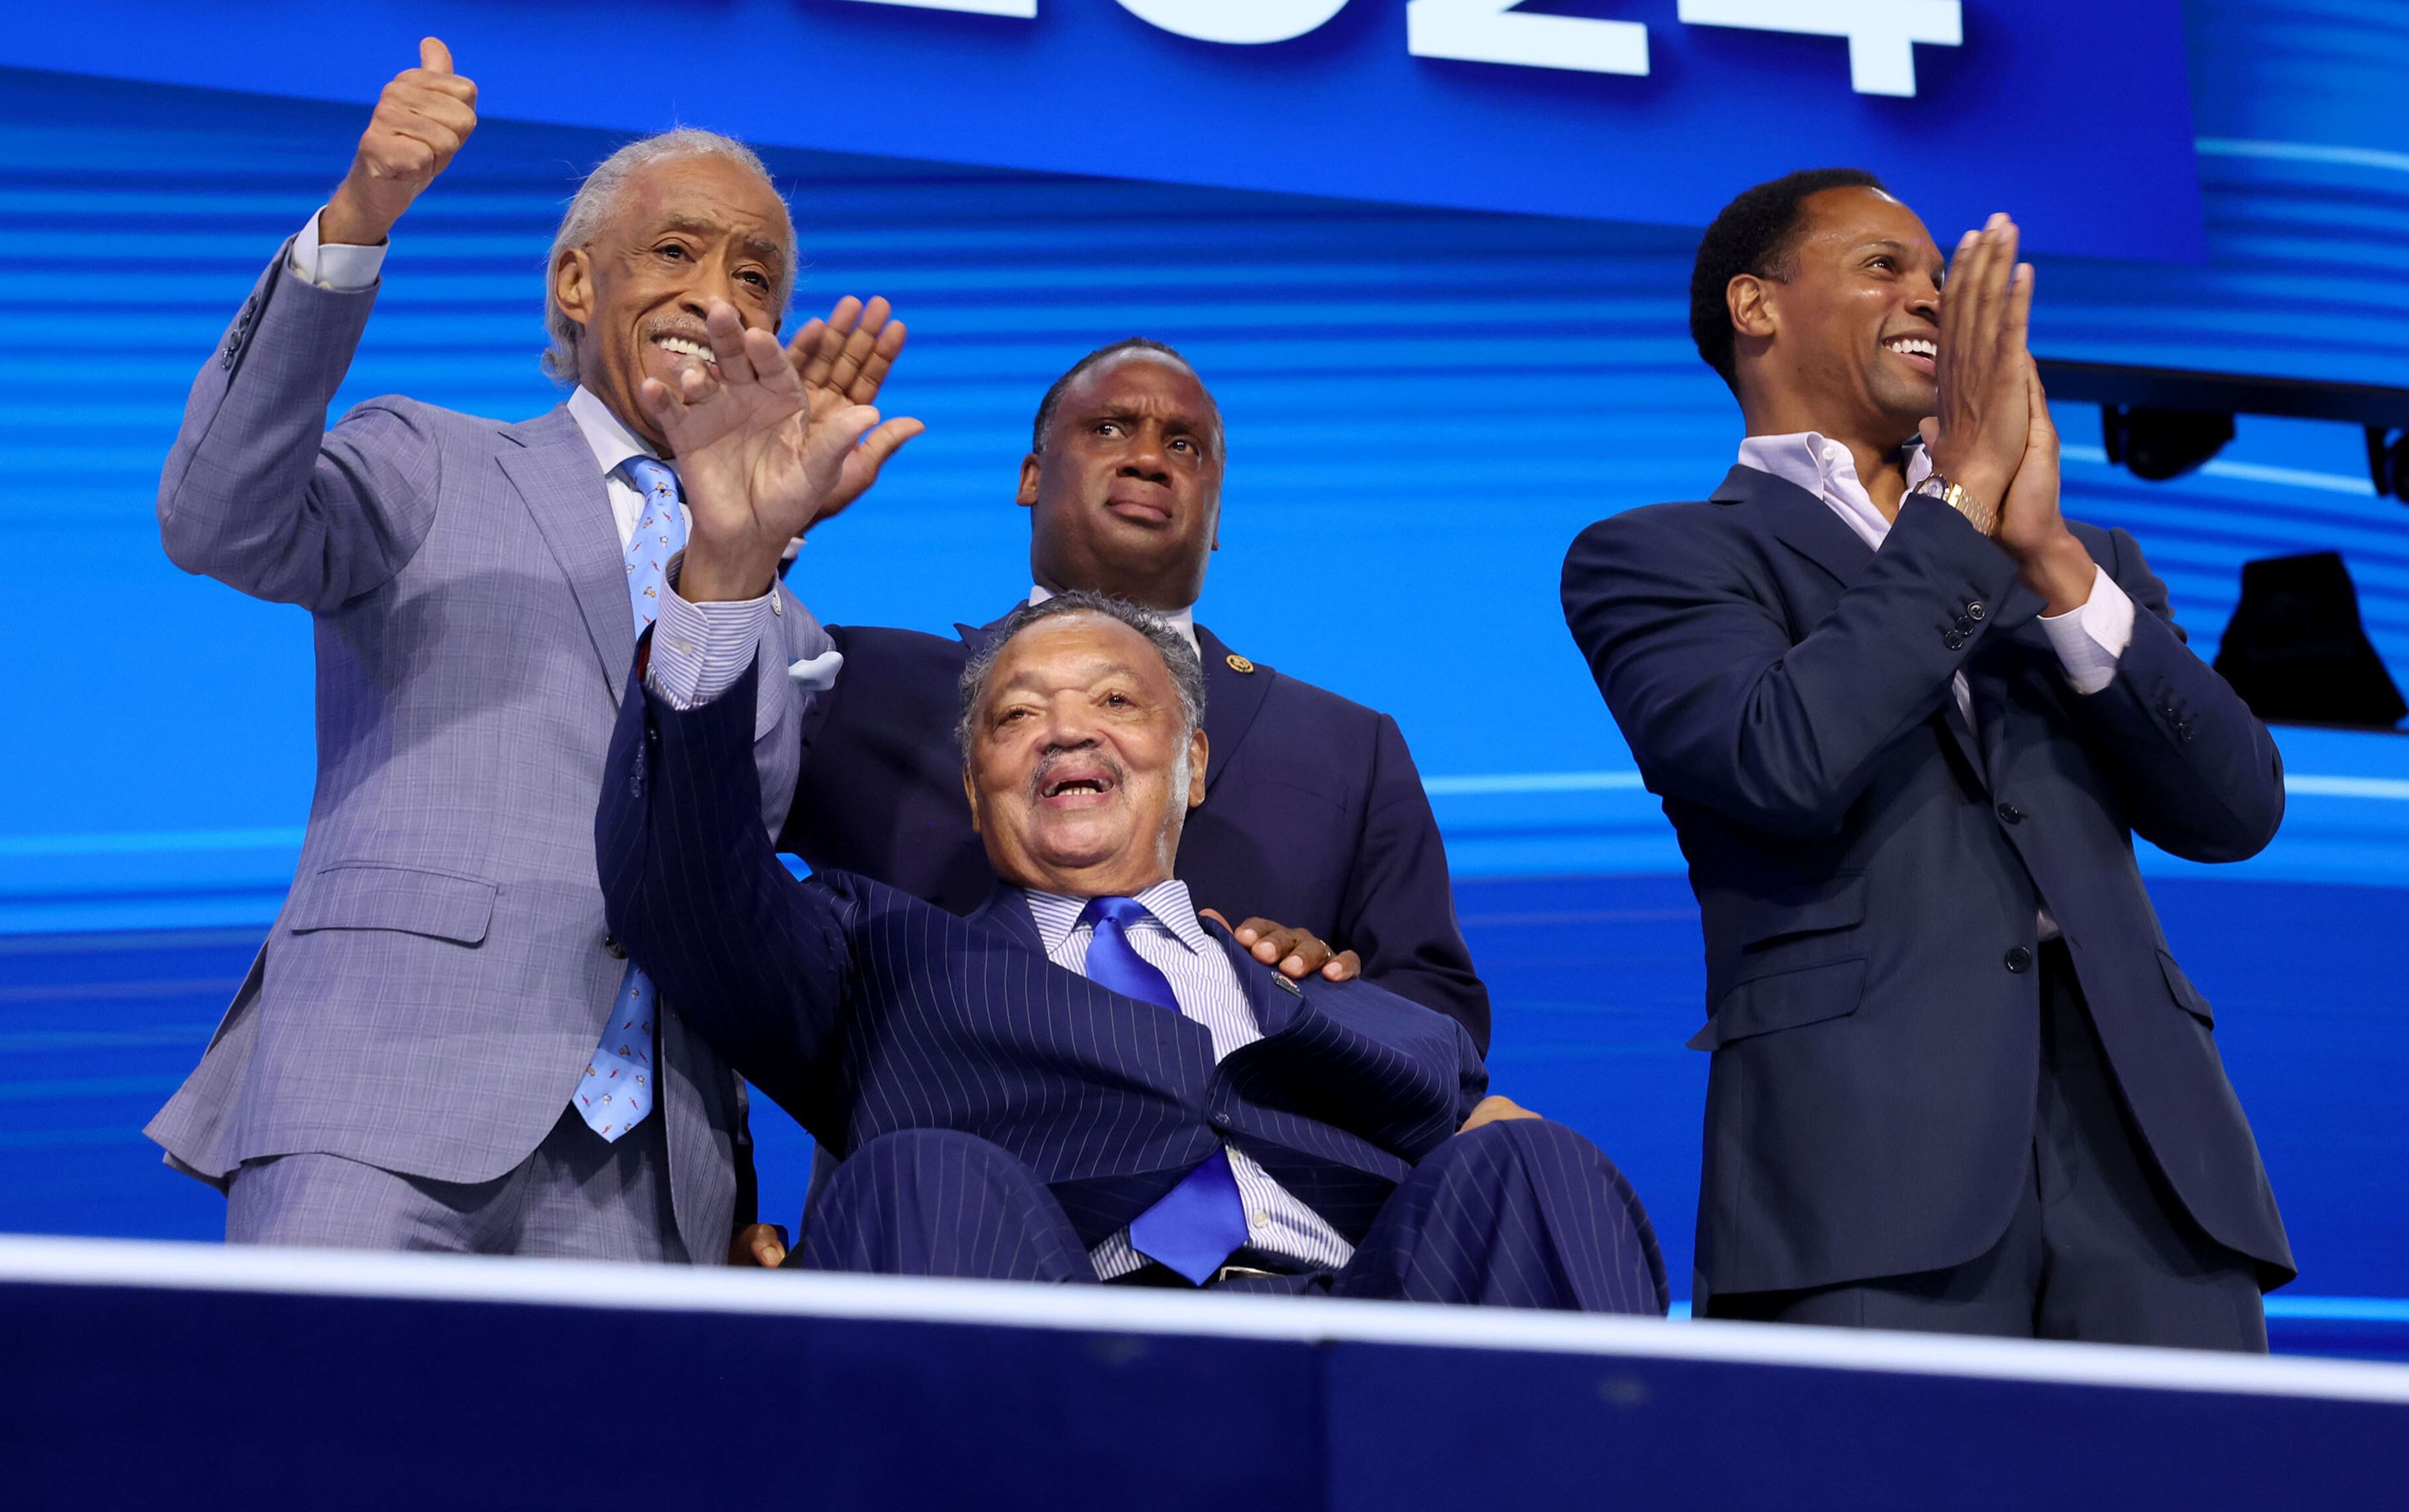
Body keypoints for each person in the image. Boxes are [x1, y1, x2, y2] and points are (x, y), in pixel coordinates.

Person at [594, 324, 1664, 1305]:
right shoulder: (879, 950)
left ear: (1194, 766)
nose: (1070, 731)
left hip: (1348, 1309)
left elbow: (1446, 1058)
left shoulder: (1339, 993)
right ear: (972, 780)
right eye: (1019, 712)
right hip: (1031, 1292)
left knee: (1537, 1163)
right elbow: (694, 882)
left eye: (1115, 702)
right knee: (927, 1177)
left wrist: (1466, 1104)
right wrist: (732, 557)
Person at [142, 38, 910, 1263]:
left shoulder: (784, 617)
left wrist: (751, 546)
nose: (719, 299)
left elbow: (718, 852)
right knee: (326, 1454)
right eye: (675, 252)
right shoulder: (431, 459)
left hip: (648, 1177)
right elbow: (216, 517)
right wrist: (358, 220)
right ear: (574, 285)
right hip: (379, 1098)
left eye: (757, 277)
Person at [1560, 169, 2293, 1346]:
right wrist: (1958, 503)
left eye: (1944, 278)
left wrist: (2048, 555)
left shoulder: (2076, 549)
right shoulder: (1658, 558)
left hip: (2156, 1175)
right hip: (1865, 1173)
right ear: (1757, 306)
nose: (1934, 298)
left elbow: (2236, 807)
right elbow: (1781, 760)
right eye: (1884, 267)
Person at [777, 339, 1491, 1050]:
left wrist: (1322, 998)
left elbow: (1441, 1020)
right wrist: (765, 532)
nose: (1150, 458)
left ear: (1216, 521)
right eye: (1109, 428)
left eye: (1185, 446)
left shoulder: (1348, 748)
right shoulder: (868, 683)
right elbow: (697, 821)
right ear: (1030, 476)